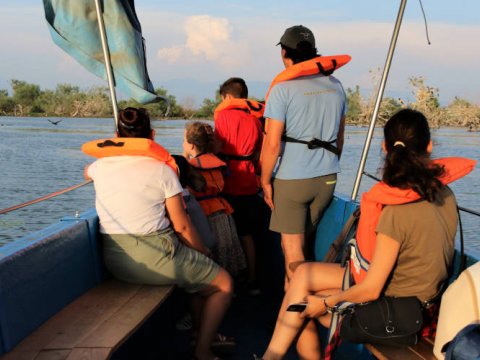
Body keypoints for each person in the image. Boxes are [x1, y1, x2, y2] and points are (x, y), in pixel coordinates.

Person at [257, 109, 476, 360]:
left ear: (385, 147)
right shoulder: (444, 193)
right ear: (429, 145)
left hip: (398, 308)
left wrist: (326, 303)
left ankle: (270, 357)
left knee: (301, 305)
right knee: (302, 276)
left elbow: (371, 290)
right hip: (420, 295)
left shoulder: (395, 211)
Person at [84, 108, 233, 360]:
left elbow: (87, 171)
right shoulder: (163, 170)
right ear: (151, 136)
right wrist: (204, 251)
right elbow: (182, 226)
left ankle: (198, 332)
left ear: (117, 135)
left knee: (197, 279)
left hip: (116, 260)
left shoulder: (99, 167)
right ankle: (203, 350)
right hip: (156, 260)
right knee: (224, 284)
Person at [260, 25, 347, 289]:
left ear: (285, 52)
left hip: (292, 179)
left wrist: (265, 181)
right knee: (306, 242)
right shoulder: (337, 86)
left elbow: (272, 144)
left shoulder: (282, 89)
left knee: (292, 248)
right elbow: (340, 139)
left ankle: (297, 315)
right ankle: (296, 304)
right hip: (328, 178)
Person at [214, 77, 265, 294]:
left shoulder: (222, 115)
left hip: (227, 181)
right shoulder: (256, 120)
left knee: (224, 235)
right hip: (249, 182)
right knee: (247, 234)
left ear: (226, 97)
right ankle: (254, 281)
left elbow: (217, 147)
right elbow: (260, 153)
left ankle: (226, 283)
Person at [183, 121, 247, 278]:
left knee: (212, 255)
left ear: (191, 145)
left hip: (204, 216)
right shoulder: (218, 162)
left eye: (184, 141)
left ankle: (217, 286)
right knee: (226, 253)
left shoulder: (190, 166)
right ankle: (232, 287)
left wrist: (185, 155)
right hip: (223, 213)